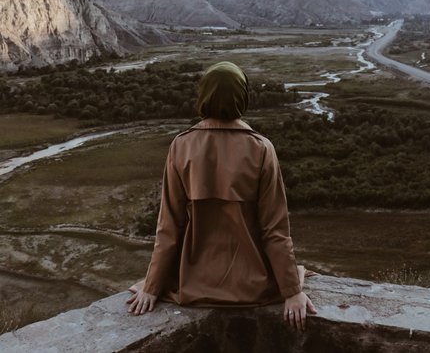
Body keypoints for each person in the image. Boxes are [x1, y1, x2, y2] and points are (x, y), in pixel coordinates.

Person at [126, 61, 317, 332]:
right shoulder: (261, 148)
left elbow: (168, 227)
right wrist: (291, 292)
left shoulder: (181, 145)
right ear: (243, 97)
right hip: (253, 286)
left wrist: (152, 287)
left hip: (193, 284)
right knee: (296, 272)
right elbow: (275, 230)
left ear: (203, 96)